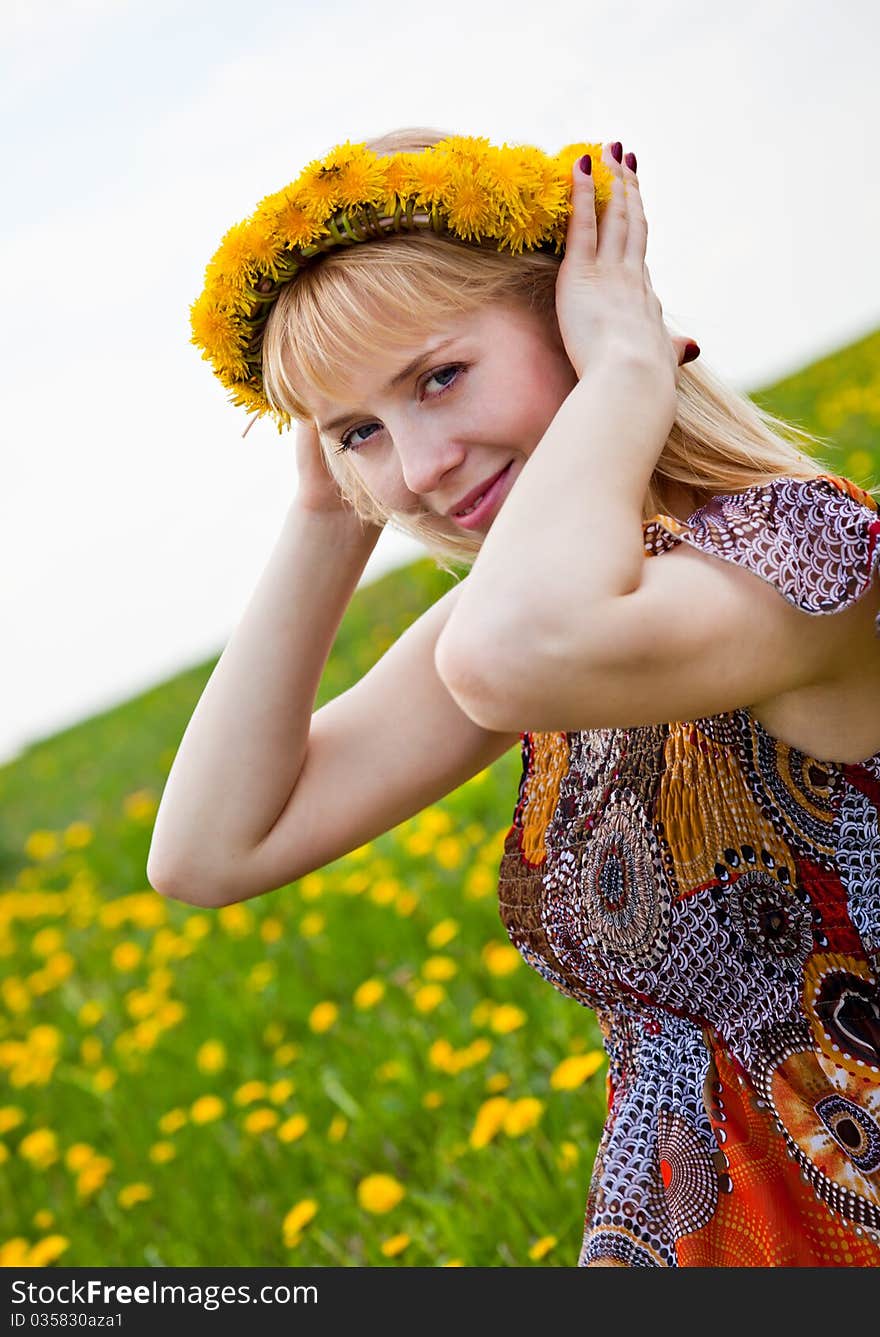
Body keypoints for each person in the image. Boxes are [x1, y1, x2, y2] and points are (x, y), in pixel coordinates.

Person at [149, 127, 880, 1267]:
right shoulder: (530, 616)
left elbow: (515, 653)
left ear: (573, 311)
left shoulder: (793, 558)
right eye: (362, 432)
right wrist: (325, 512)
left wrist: (632, 367)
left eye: (439, 376)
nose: (421, 463)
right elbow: (208, 849)